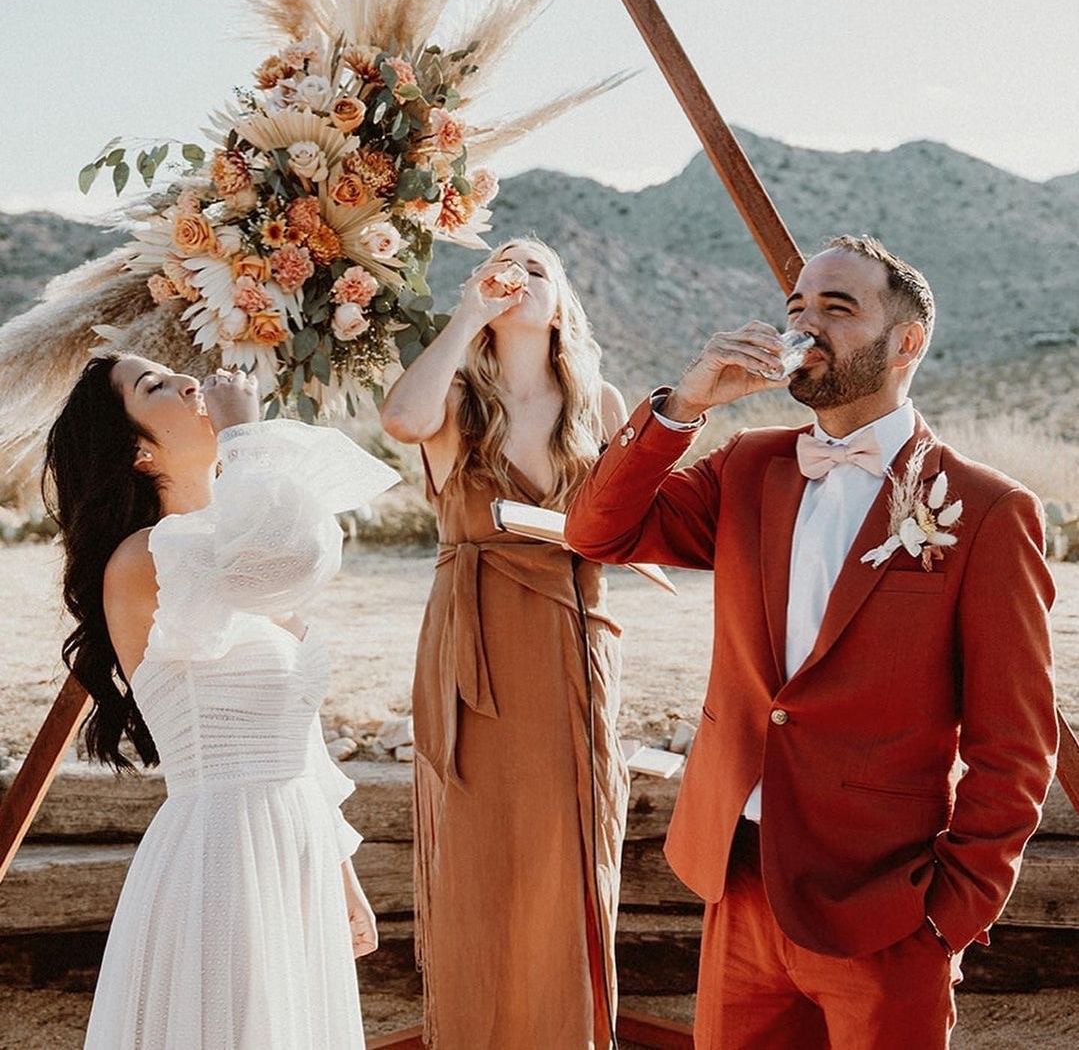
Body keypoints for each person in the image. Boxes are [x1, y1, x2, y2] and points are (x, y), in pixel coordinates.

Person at [565, 235, 1057, 1050]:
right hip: (739, 879)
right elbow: (596, 531)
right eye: (798, 307)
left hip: (886, 905)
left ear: (906, 343)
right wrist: (684, 405)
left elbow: (1015, 743)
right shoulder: (747, 468)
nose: (807, 325)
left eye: (838, 307)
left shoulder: (986, 510)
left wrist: (949, 917)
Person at [43, 356, 398, 1049]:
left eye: (177, 372)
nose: (187, 383)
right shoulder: (149, 555)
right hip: (226, 850)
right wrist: (241, 433)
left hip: (289, 843)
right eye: (154, 387)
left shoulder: (219, 548)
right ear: (140, 452)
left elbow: (295, 738)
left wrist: (336, 866)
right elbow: (289, 556)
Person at [380, 238, 630, 1049]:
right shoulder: (455, 399)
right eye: (502, 263)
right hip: (476, 633)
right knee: (481, 852)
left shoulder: (602, 405)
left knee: (568, 846)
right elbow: (400, 419)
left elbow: (629, 519)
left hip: (571, 630)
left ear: (563, 299)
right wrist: (467, 316)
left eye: (537, 268)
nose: (518, 277)